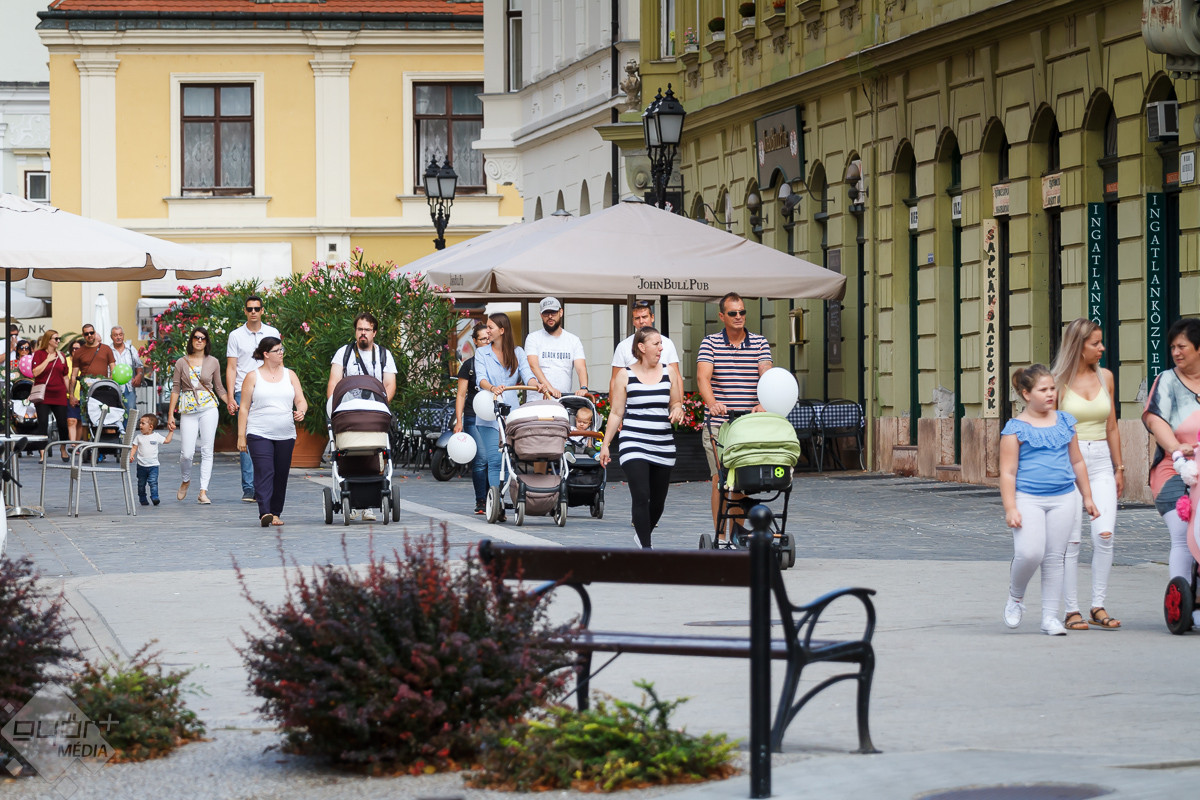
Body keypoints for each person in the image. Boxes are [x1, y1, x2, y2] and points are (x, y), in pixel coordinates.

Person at [1000, 364, 1099, 636]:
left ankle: (1050, 617)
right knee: (1030, 553)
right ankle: (1015, 596)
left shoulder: (1065, 422)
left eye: (1052, 388)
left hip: (1063, 497)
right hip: (1028, 498)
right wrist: (1010, 507)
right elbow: (1007, 472)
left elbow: (1077, 461)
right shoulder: (1015, 428)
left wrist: (1087, 497)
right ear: (1026, 394)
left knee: (1055, 557)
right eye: (1043, 389)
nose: (1050, 394)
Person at [1050, 318, 1123, 630]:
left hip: (1102, 461)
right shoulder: (1057, 382)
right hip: (1069, 462)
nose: (1102, 348)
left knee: (1105, 534)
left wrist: (1119, 468)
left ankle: (1098, 605)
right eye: (1095, 343)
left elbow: (1112, 426)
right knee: (1072, 541)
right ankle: (1071, 610)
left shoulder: (1106, 377)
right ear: (1078, 347)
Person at [696, 292, 773, 537]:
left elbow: (766, 372)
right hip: (719, 424)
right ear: (722, 316)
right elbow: (703, 378)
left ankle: (737, 534)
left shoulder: (759, 342)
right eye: (733, 313)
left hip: (748, 425)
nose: (739, 316)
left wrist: (763, 401)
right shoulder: (710, 343)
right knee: (720, 479)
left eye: (742, 312)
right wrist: (712, 403)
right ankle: (720, 537)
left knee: (741, 480)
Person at [599, 327, 684, 549]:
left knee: (657, 503)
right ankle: (646, 548)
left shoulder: (669, 372)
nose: (661, 348)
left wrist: (678, 410)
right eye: (656, 344)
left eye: (661, 343)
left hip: (663, 443)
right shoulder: (625, 375)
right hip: (634, 441)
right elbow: (616, 412)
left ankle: (641, 535)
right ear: (642, 347)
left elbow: (676, 402)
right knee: (641, 495)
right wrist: (605, 445)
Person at [1143, 317, 1200, 627]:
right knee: (1182, 534)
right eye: (1173, 347)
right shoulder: (1166, 381)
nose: (1176, 353)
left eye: (1183, 347)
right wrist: (1177, 449)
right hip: (1174, 470)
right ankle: (1182, 603)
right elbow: (1155, 420)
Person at [475, 312, 539, 519]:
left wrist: (537, 385)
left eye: (490, 327)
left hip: (511, 414)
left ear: (502, 330)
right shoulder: (482, 353)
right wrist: (492, 388)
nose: (487, 331)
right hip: (488, 411)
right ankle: (497, 504)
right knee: (495, 460)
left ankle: (509, 495)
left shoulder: (517, 352)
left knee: (510, 460)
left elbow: (527, 375)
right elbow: (480, 379)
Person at [237, 337, 306, 527]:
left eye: (282, 349)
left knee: (281, 474)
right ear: (266, 354)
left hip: (286, 433)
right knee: (265, 470)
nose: (281, 353)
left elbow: (300, 400)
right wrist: (241, 435)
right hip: (258, 431)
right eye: (277, 350)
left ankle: (275, 513)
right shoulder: (253, 376)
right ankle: (265, 512)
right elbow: (244, 408)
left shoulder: (290, 375)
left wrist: (301, 411)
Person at [226, 295, 280, 503]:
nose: (253, 312)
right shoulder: (236, 335)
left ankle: (266, 484)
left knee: (270, 434)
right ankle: (249, 487)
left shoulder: (273, 332)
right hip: (244, 390)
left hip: (269, 388)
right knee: (246, 437)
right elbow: (231, 367)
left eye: (257, 308)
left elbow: (279, 360)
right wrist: (230, 396)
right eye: (250, 309)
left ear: (263, 310)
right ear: (245, 311)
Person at [168, 326, 228, 506]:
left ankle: (203, 491)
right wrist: (171, 414)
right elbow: (176, 388)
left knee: (207, 450)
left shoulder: (213, 362)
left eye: (203, 338)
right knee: (186, 453)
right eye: (196, 337)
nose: (199, 340)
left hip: (209, 408)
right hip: (188, 410)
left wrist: (230, 402)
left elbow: (219, 388)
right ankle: (186, 480)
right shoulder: (181, 362)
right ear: (191, 340)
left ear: (206, 341)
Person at [453, 322, 490, 515]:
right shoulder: (469, 366)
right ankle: (481, 500)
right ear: (475, 341)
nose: (486, 342)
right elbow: (461, 395)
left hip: (493, 417)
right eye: (482, 339)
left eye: (488, 339)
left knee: (494, 459)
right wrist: (459, 421)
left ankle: (493, 498)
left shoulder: (498, 364)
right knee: (481, 458)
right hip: (473, 417)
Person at [610, 300, 682, 397]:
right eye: (637, 318)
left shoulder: (667, 343)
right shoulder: (623, 346)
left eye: (644, 317)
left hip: (664, 402)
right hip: (632, 402)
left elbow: (676, 377)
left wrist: (679, 403)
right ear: (633, 321)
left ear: (652, 318)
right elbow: (615, 380)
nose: (641, 321)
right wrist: (614, 405)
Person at [327, 312, 398, 405]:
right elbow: (333, 383)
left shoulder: (384, 354)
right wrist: (334, 407)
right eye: (360, 329)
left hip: (375, 408)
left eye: (367, 330)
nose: (363, 333)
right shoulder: (343, 352)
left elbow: (390, 385)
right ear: (355, 331)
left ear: (374, 333)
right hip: (348, 408)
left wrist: (380, 406)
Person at [525, 297, 589, 399]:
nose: (550, 316)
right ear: (541, 315)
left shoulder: (573, 340)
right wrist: (549, 388)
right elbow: (533, 366)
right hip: (537, 400)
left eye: (553, 312)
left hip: (562, 400)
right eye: (546, 313)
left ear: (561, 312)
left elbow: (581, 367)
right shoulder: (533, 338)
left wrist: (584, 387)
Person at [31, 330, 70, 461]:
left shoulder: (61, 355)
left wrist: (69, 392)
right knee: (42, 423)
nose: (58, 341)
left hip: (59, 393)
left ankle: (63, 448)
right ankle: (42, 453)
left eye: (59, 338)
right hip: (43, 394)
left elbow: (65, 376)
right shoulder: (39, 354)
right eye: (56, 338)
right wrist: (47, 360)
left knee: (63, 424)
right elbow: (35, 373)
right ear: (48, 340)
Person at [130, 413, 173, 506]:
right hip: (141, 466)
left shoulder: (156, 436)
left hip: (153, 466)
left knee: (153, 482)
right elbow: (134, 447)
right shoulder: (138, 437)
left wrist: (171, 432)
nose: (140, 425)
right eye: (140, 423)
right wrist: (131, 455)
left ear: (150, 427)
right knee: (141, 484)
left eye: (143, 423)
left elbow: (167, 440)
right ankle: (142, 498)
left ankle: (155, 497)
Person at [110, 325, 144, 415]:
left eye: (120, 335)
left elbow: (139, 365)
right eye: (115, 335)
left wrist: (139, 375)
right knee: (115, 414)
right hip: (113, 388)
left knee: (131, 413)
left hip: (129, 387)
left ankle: (130, 426)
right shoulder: (108, 350)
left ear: (123, 335)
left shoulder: (130, 349)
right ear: (111, 337)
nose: (118, 337)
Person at [64, 339, 83, 445]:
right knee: (72, 420)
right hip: (68, 395)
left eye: (78, 349)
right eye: (73, 348)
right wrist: (71, 395)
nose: (75, 350)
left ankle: (77, 445)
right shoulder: (66, 361)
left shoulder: (84, 362)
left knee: (80, 422)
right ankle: (72, 444)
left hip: (82, 395)